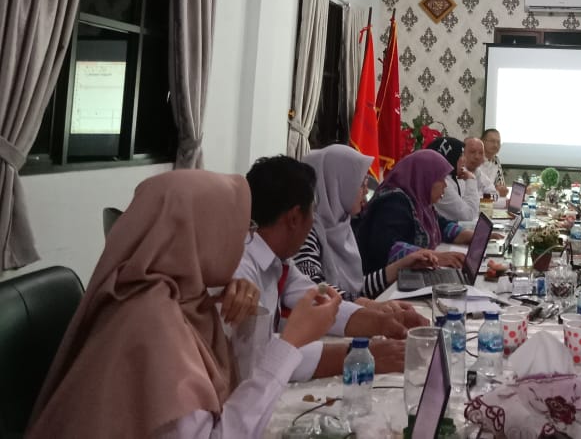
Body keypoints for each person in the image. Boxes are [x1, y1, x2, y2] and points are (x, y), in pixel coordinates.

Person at [28, 170, 342, 438]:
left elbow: (238, 375)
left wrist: (239, 313)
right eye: (239, 231)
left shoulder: (176, 295)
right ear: (200, 235)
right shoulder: (151, 321)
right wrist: (291, 341)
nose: (244, 242)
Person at [236, 156, 419, 382]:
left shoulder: (278, 260)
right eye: (312, 211)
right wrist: (359, 355)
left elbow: (320, 299)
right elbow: (258, 359)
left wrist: (383, 322)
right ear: (294, 218)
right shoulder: (241, 269)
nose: (314, 221)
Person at [294, 144, 439, 299]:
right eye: (361, 184)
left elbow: (357, 289)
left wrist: (403, 265)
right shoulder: (306, 232)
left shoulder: (342, 225)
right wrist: (365, 306)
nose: (365, 191)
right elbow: (318, 292)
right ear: (336, 183)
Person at [355, 150, 476, 274]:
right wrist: (435, 257)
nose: (445, 185)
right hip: (383, 282)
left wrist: (472, 236)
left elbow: (441, 225)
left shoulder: (418, 201)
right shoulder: (393, 202)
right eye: (441, 179)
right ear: (425, 178)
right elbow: (387, 247)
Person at [427, 135, 480, 221]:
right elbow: (468, 215)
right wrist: (471, 180)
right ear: (450, 157)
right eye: (460, 155)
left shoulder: (453, 176)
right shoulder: (441, 183)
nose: (464, 159)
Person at [476, 127, 509, 197]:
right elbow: (475, 190)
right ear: (482, 141)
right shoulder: (474, 159)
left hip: (491, 200)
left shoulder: (496, 160)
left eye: (498, 142)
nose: (496, 145)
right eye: (492, 141)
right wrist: (495, 191)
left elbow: (500, 186)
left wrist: (502, 189)